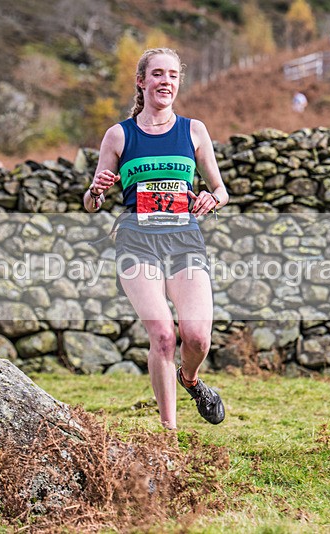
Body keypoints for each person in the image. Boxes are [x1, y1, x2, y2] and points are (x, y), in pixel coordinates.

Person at [83, 48, 229, 430]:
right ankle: (169, 437)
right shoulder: (119, 135)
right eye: (158, 74)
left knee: (197, 337)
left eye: (173, 75)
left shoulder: (193, 130)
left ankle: (190, 379)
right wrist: (96, 190)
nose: (166, 81)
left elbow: (220, 189)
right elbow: (91, 202)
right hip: (136, 240)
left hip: (184, 239)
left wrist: (213, 198)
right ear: (141, 81)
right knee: (163, 335)